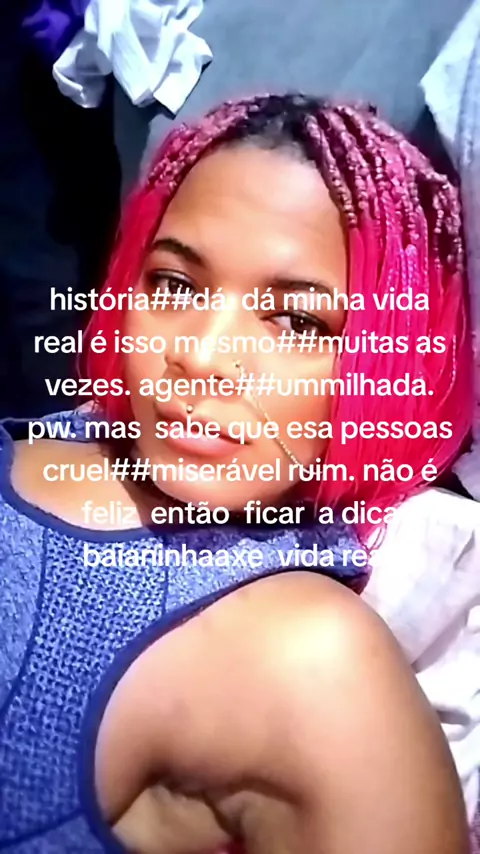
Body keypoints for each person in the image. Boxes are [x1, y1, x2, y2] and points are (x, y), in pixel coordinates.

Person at [0, 93, 476, 854]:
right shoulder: (50, 436)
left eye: (296, 321)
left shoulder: (316, 663)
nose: (200, 355)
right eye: (174, 285)